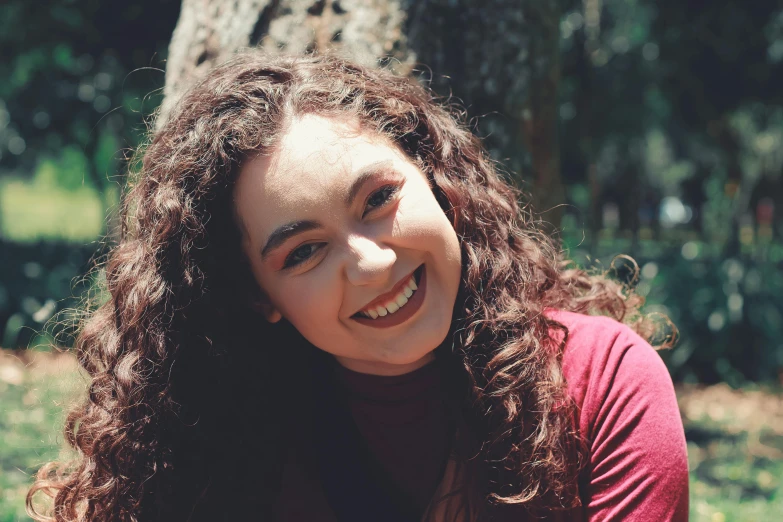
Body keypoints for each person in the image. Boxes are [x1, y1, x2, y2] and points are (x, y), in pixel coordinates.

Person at [28, 51, 688, 522]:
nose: (370, 264)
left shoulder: (599, 381)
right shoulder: (214, 450)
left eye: (377, 199)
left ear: (437, 182)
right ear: (259, 297)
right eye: (304, 252)